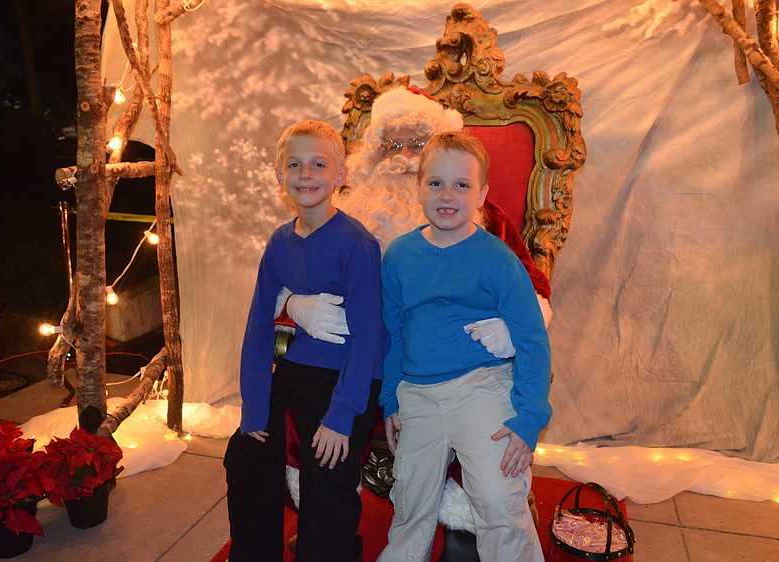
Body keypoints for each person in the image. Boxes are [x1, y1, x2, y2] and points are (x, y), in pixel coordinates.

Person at [378, 131, 551, 562]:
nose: (447, 195)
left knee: (498, 500)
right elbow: (392, 332)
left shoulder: (497, 259)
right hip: (417, 393)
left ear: (482, 194)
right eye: (435, 183)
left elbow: (532, 340)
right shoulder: (400, 256)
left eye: (462, 185)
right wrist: (390, 399)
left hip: (482, 387)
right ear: (418, 187)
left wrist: (529, 417)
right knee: (410, 503)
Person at [223, 119, 385, 562]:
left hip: (350, 374)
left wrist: (341, 415)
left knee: (327, 464)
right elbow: (261, 328)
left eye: (319, 164)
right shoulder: (278, 243)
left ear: (341, 175)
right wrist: (255, 406)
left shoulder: (357, 245)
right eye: (294, 165)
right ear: (280, 176)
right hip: (295, 363)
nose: (306, 175)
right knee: (245, 452)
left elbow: (369, 338)